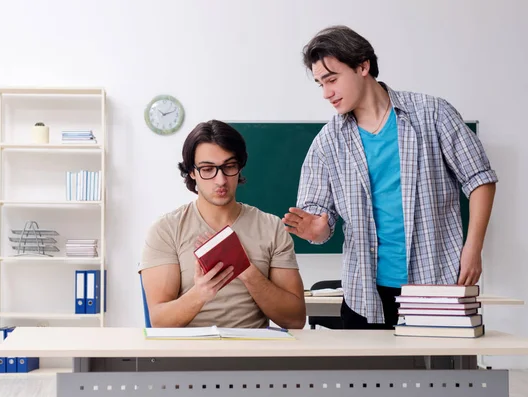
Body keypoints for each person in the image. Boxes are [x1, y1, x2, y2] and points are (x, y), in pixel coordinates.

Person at [283, 25, 497, 329]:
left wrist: (473, 249)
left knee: (444, 376)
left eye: (331, 79)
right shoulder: (327, 142)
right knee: (368, 378)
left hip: (436, 280)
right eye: (320, 84)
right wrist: (315, 230)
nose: (326, 93)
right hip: (364, 292)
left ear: (362, 66)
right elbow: (320, 225)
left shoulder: (432, 114)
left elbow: (480, 179)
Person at [140, 120, 306, 329]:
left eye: (229, 167)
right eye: (208, 169)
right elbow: (159, 322)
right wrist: (200, 293)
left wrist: (246, 271)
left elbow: (296, 319)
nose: (220, 180)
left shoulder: (271, 227)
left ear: (240, 167)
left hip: (254, 353)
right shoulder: (166, 230)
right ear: (192, 172)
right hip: (189, 354)